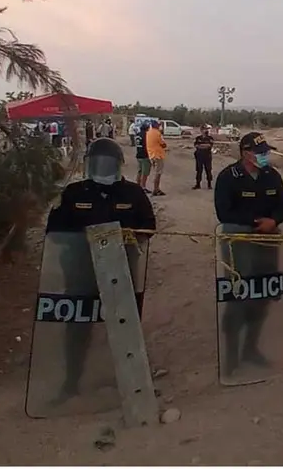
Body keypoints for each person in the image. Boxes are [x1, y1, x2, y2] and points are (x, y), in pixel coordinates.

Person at [43, 137, 156, 405]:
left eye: (108, 163)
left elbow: (149, 227)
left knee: (125, 325)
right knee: (77, 328)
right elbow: (54, 233)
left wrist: (129, 235)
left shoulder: (133, 194)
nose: (103, 167)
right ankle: (71, 381)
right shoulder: (73, 193)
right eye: (98, 162)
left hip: (122, 272)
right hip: (81, 271)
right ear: (88, 164)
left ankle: (129, 380)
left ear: (118, 165)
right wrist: (83, 238)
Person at [213, 132, 283, 377]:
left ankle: (251, 349)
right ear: (245, 153)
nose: (265, 156)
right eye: (260, 153)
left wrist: (274, 220)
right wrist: (255, 222)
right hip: (239, 244)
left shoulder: (271, 175)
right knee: (239, 296)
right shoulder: (228, 177)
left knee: (264, 294)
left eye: (266, 152)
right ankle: (231, 356)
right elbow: (223, 213)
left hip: (268, 242)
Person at [145, 120, 167, 196]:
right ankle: (156, 189)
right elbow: (164, 144)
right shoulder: (157, 133)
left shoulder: (148, 133)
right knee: (158, 173)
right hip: (158, 155)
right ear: (156, 125)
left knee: (156, 172)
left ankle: (156, 189)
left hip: (151, 155)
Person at [193, 125, 215, 190]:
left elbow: (209, 145)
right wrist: (204, 145)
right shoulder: (198, 138)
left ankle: (209, 184)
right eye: (203, 129)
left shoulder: (210, 138)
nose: (205, 130)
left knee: (208, 170)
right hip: (199, 156)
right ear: (201, 130)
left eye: (206, 129)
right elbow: (196, 146)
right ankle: (198, 184)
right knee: (199, 170)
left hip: (207, 156)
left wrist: (201, 145)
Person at [135, 122, 151, 193]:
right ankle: (143, 187)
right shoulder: (146, 135)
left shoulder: (138, 135)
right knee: (145, 172)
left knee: (140, 171)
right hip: (145, 155)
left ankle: (138, 185)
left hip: (138, 154)